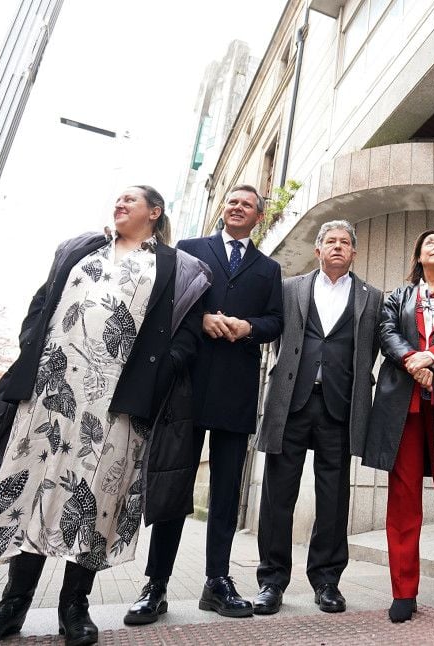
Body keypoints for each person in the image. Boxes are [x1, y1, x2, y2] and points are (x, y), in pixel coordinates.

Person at [0, 185, 211, 646]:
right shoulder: (80, 249)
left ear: (154, 213)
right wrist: (32, 356)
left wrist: (158, 377)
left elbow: (186, 336)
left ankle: (74, 605)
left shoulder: (176, 267)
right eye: (118, 199)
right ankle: (12, 605)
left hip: (118, 401)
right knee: (34, 486)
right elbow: (41, 307)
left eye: (131, 201)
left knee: (96, 496)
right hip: (52, 392)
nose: (120, 204)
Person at [126, 183, 283, 624]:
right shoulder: (190, 250)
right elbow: (167, 305)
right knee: (174, 487)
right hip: (187, 387)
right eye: (232, 201)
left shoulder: (268, 269)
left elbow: (276, 321)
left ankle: (217, 582)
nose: (237, 207)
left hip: (236, 391)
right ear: (223, 208)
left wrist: (246, 326)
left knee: (227, 493)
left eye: (247, 204)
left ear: (258, 217)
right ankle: (155, 585)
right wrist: (203, 318)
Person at [252, 220, 383, 615]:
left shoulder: (371, 297)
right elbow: (276, 339)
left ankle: (327, 581)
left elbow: (376, 345)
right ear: (318, 249)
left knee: (334, 497)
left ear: (354, 252)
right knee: (278, 495)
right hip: (291, 401)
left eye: (346, 242)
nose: (338, 247)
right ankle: (272, 581)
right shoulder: (290, 288)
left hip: (339, 406)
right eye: (331, 241)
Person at [363, 230, 434, 623]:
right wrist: (413, 361)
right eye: (430, 242)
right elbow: (386, 334)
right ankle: (403, 592)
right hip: (405, 407)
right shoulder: (398, 296)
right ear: (418, 254)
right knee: (403, 499)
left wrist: (432, 358)